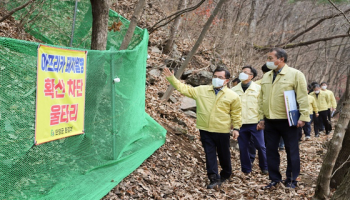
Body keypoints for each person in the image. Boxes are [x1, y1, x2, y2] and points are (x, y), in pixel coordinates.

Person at [163, 66, 242, 189]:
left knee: (223, 154)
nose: (216, 79)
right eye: (215, 76)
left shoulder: (233, 96)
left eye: (220, 77)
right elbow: (184, 89)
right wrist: (171, 78)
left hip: (222, 130)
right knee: (209, 153)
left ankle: (226, 173)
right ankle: (213, 178)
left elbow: (236, 113)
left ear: (226, 80)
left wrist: (236, 128)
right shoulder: (202, 90)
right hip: (205, 129)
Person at [257, 48, 310, 189]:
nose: (268, 61)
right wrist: (261, 117)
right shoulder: (267, 76)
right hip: (270, 121)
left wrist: (304, 116)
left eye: (270, 58)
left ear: (281, 59)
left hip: (289, 120)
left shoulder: (295, 74)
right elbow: (262, 98)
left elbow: (302, 97)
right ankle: (274, 179)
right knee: (271, 151)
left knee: (291, 150)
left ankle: (291, 179)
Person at [231, 66, 268, 175]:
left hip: (255, 123)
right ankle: (246, 169)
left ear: (251, 76)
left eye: (245, 72)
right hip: (240, 124)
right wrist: (232, 123)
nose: (242, 74)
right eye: (242, 72)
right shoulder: (234, 90)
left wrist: (262, 120)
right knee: (243, 148)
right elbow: (231, 108)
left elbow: (262, 106)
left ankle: (264, 167)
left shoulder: (258, 89)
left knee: (261, 146)